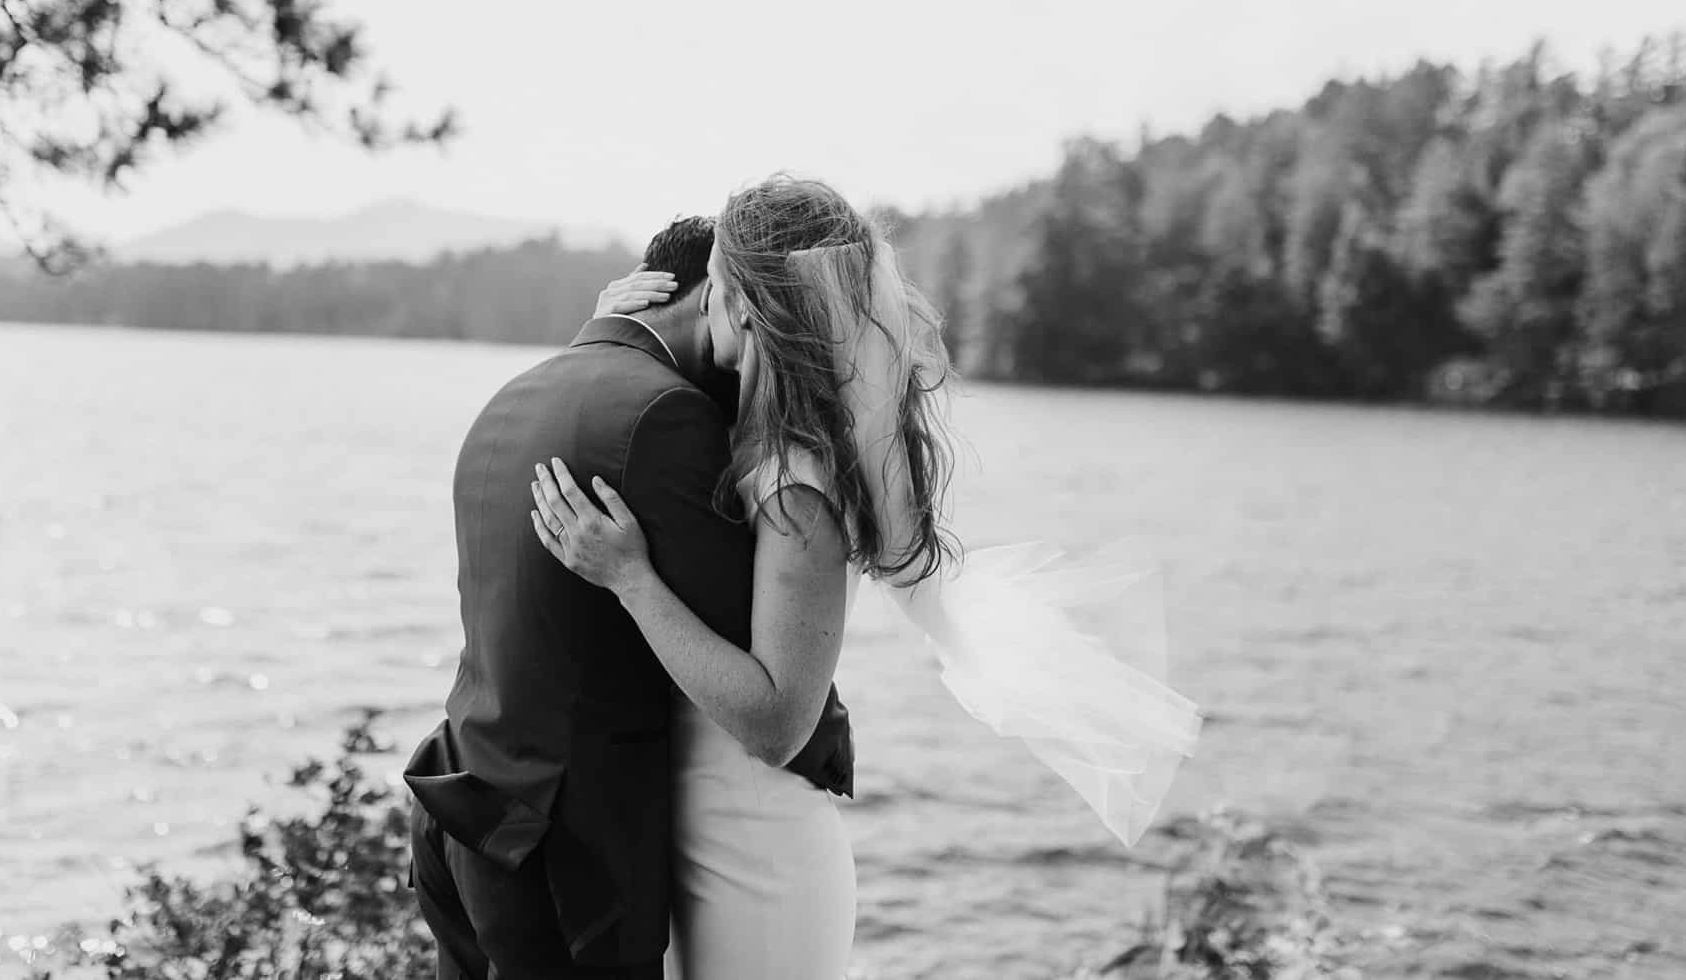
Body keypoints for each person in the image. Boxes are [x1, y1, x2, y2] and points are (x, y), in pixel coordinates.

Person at [532, 175, 1206, 979]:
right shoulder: (746, 435)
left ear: (749, 305)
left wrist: (631, 578)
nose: (700, 299)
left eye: (714, 282)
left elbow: (780, 720)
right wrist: (611, 329)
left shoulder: (796, 483)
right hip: (700, 834)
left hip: (758, 860)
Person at [403, 215, 854, 980]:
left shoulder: (516, 395)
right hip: (561, 850)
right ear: (719, 294)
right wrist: (824, 742)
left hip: (461, 804)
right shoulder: (668, 413)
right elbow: (760, 676)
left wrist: (605, 326)